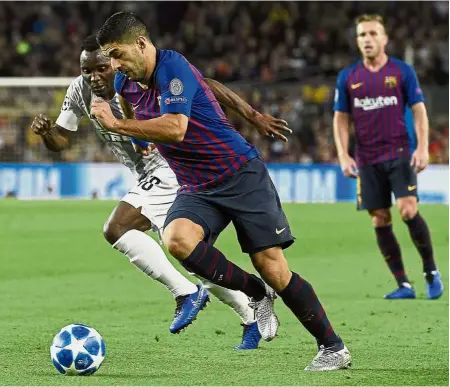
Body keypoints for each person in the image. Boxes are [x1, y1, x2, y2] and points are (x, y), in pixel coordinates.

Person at [93, 11, 351, 371]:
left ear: (141, 44)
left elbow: (177, 128)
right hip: (197, 186)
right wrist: (140, 141)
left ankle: (332, 347)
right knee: (176, 239)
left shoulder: (172, 67)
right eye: (109, 57)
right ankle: (256, 293)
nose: (115, 65)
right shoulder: (125, 84)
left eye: (118, 54)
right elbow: (204, 85)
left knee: (272, 267)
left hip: (240, 174)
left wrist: (119, 125)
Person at [31, 34, 290, 350]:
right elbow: (62, 139)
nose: (94, 77)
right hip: (147, 174)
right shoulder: (79, 91)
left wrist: (252, 115)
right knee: (194, 257)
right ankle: (249, 314)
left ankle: (186, 293)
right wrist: (47, 134)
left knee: (117, 228)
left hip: (170, 168)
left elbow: (204, 84)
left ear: (115, 62)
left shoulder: (139, 78)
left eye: (101, 69)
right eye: (87, 71)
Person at [333, 14, 444, 300]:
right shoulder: (348, 77)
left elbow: (419, 110)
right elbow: (341, 118)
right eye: (362, 35)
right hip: (367, 158)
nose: (367, 39)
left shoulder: (402, 71)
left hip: (399, 153)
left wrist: (422, 147)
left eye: (372, 33)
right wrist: (343, 155)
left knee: (408, 209)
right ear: (357, 41)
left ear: (384, 38)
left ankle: (430, 271)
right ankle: (403, 284)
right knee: (380, 219)